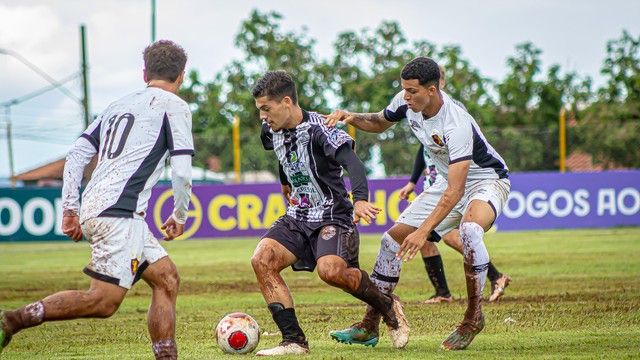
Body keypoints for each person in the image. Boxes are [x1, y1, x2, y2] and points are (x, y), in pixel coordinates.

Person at [0, 40, 194, 359]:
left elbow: (77, 154)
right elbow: (183, 171)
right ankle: (12, 320)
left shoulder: (117, 105)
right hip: (120, 213)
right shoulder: (175, 106)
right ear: (182, 75)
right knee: (103, 302)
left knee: (166, 278)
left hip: (101, 206)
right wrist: (181, 214)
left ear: (145, 72)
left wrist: (70, 210)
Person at [324, 57, 511, 351]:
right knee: (390, 242)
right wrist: (352, 116)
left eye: (412, 91)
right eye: (404, 90)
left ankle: (473, 318)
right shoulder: (407, 101)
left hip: (487, 180)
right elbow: (379, 121)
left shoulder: (456, 123)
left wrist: (424, 230)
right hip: (447, 183)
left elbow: (457, 189)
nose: (406, 97)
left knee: (471, 230)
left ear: (433, 90)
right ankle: (369, 326)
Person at [250, 70, 409, 355]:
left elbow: (354, 163)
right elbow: (281, 154)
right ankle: (294, 341)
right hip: (297, 216)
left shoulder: (321, 128)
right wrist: (286, 183)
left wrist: (360, 200)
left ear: (286, 102)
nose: (263, 117)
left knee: (331, 272)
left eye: (266, 109)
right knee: (262, 259)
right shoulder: (269, 130)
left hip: (332, 215)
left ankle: (388, 305)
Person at [397, 66, 510, 304]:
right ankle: (443, 292)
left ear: (437, 85)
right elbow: (423, 149)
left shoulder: (453, 111)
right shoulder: (418, 113)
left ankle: (494, 276)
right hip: (437, 178)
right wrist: (411, 182)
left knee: (449, 235)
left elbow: (457, 150)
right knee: (424, 238)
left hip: (457, 179)